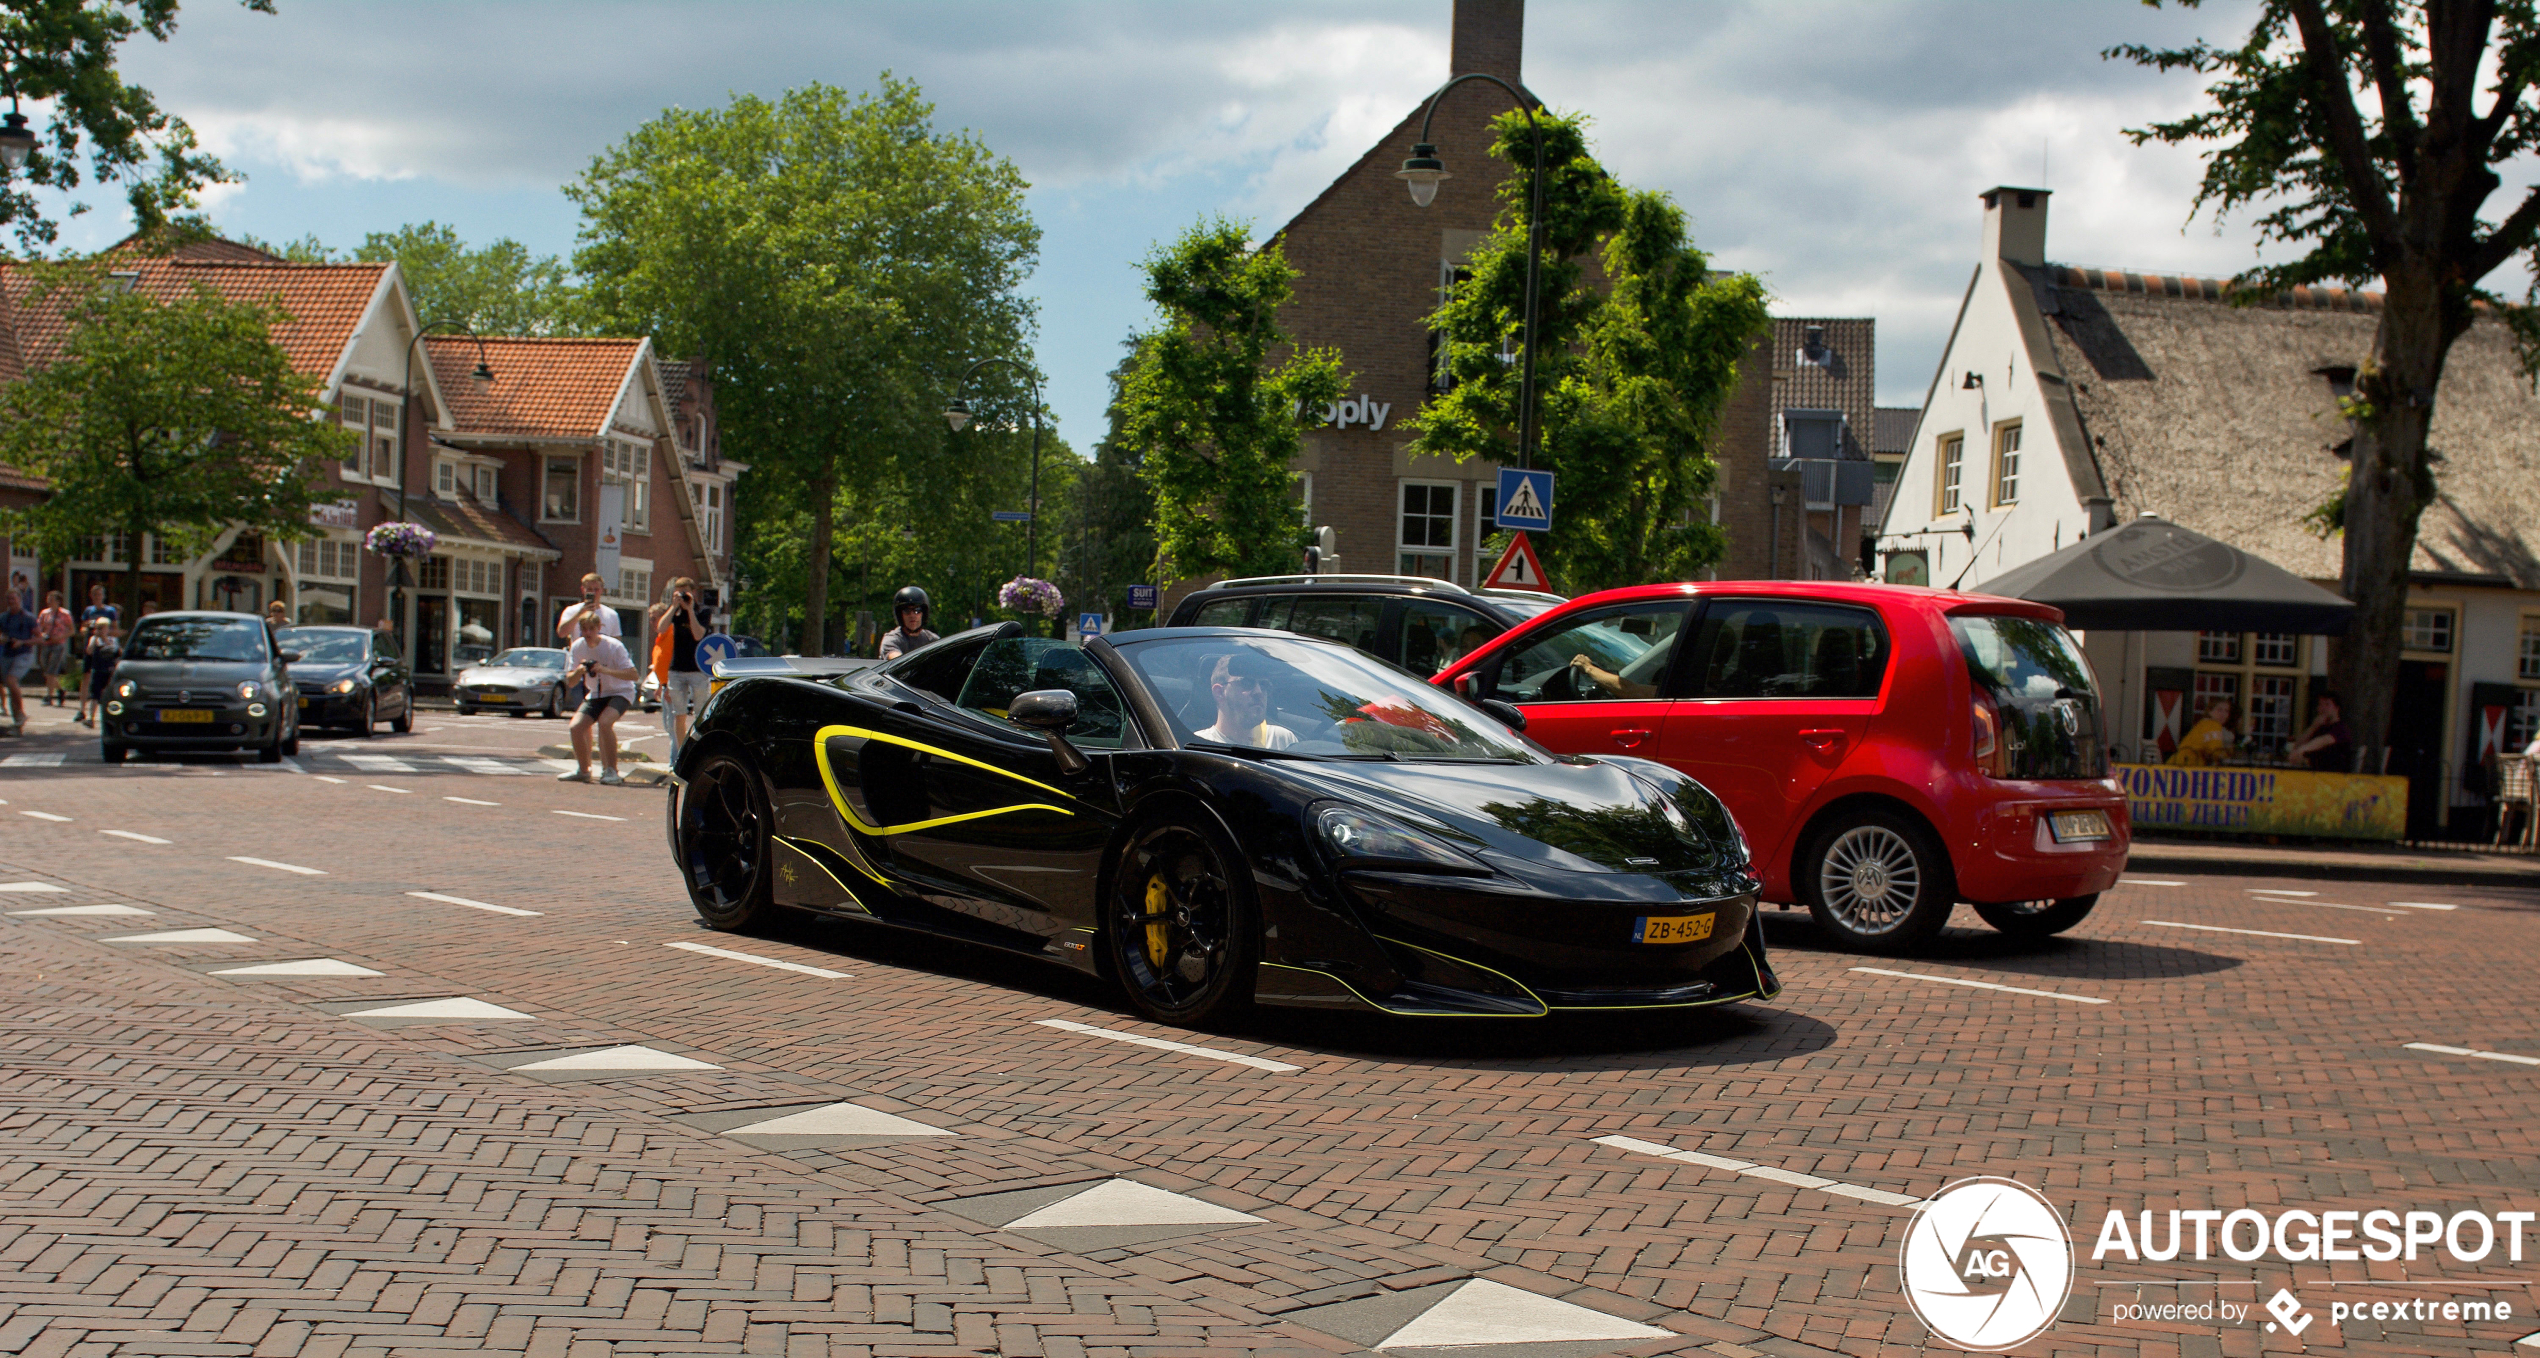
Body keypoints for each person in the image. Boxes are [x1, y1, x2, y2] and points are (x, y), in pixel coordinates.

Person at [560, 608, 639, 785]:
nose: (587, 633)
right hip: (595, 693)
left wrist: (604, 670)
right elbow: (570, 682)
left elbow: (634, 675)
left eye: (591, 629)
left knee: (605, 722)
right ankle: (583, 769)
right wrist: (580, 671)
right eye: (584, 629)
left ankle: (611, 770)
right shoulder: (578, 646)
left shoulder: (613, 646)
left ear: (598, 628)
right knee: (576, 726)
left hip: (620, 691)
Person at [1192, 650, 1296, 749]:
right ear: (1219, 692)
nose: (1259, 692)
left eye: (1264, 685)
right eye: (1246, 683)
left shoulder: (1281, 740)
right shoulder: (1198, 745)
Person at [655, 577, 711, 761]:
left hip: (697, 670)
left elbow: (698, 634)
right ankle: (681, 755)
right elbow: (661, 628)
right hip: (677, 669)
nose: (682, 595)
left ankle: (699, 753)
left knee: (700, 712)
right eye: (678, 592)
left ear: (693, 592)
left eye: (685, 592)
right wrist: (673, 607)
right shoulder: (675, 613)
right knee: (678, 714)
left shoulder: (703, 611)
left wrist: (690, 609)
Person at [2289, 690, 2355, 772]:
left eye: (2327, 704)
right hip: (2314, 772)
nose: (2323, 708)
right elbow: (2297, 745)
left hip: (2333, 775)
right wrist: (2313, 727)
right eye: (2320, 705)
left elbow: (2323, 741)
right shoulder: (2320, 728)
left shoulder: (2340, 729)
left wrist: (2302, 750)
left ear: (2337, 708)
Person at [2167, 697, 2240, 767]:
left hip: (2177, 764)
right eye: (2219, 710)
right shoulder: (2213, 725)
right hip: (2189, 766)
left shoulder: (2202, 724)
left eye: (2226, 711)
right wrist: (2230, 752)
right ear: (2210, 711)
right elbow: (2215, 751)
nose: (2223, 714)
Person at [77, 617, 119, 728]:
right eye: (98, 628)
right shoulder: (94, 639)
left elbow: (116, 652)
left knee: (110, 695)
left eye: (103, 628)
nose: (101, 630)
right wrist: (95, 637)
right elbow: (89, 651)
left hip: (109, 670)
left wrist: (105, 640)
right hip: (98, 670)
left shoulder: (112, 640)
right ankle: (91, 718)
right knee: (95, 695)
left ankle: (110, 718)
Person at [0, 589, 34, 728]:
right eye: (9, 599)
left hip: (23, 654)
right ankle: (18, 723)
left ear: (20, 599)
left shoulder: (28, 618)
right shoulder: (3, 617)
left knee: (11, 680)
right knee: (9, 685)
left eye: (13, 599)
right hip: (7, 654)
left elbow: (39, 638)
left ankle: (20, 713)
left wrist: (22, 642)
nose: (11, 602)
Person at [35, 590, 74, 707]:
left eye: (52, 599)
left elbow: (72, 630)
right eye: (48, 599)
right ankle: (60, 690)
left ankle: (49, 696)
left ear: (58, 601)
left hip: (58, 644)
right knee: (46, 669)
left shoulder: (65, 614)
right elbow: (38, 628)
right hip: (46, 644)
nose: (49, 601)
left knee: (52, 670)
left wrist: (61, 637)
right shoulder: (44, 613)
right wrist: (42, 635)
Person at [879, 585, 938, 661]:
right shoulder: (892, 640)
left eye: (917, 610)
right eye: (906, 611)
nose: (912, 615)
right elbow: (898, 661)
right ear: (900, 615)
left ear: (924, 614)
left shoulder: (932, 640)